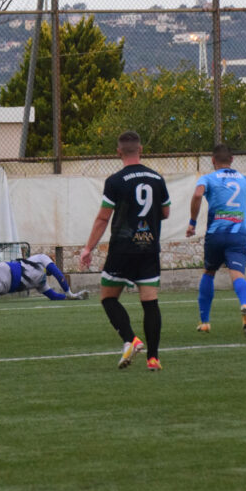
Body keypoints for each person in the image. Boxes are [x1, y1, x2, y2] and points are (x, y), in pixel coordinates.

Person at [79, 130, 170, 371]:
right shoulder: (157, 178)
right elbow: (165, 212)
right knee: (150, 302)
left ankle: (131, 339)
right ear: (141, 149)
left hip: (123, 247)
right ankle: (153, 358)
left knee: (108, 298)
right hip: (149, 246)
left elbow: (103, 218)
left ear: (118, 152)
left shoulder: (115, 181)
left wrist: (88, 248)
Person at [186, 144, 246, 337]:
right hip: (238, 234)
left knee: (209, 272)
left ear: (213, 160)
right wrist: (240, 208)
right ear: (232, 160)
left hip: (216, 234)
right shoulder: (244, 179)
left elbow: (197, 194)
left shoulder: (208, 178)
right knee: (237, 274)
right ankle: (245, 305)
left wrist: (192, 222)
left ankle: (205, 322)